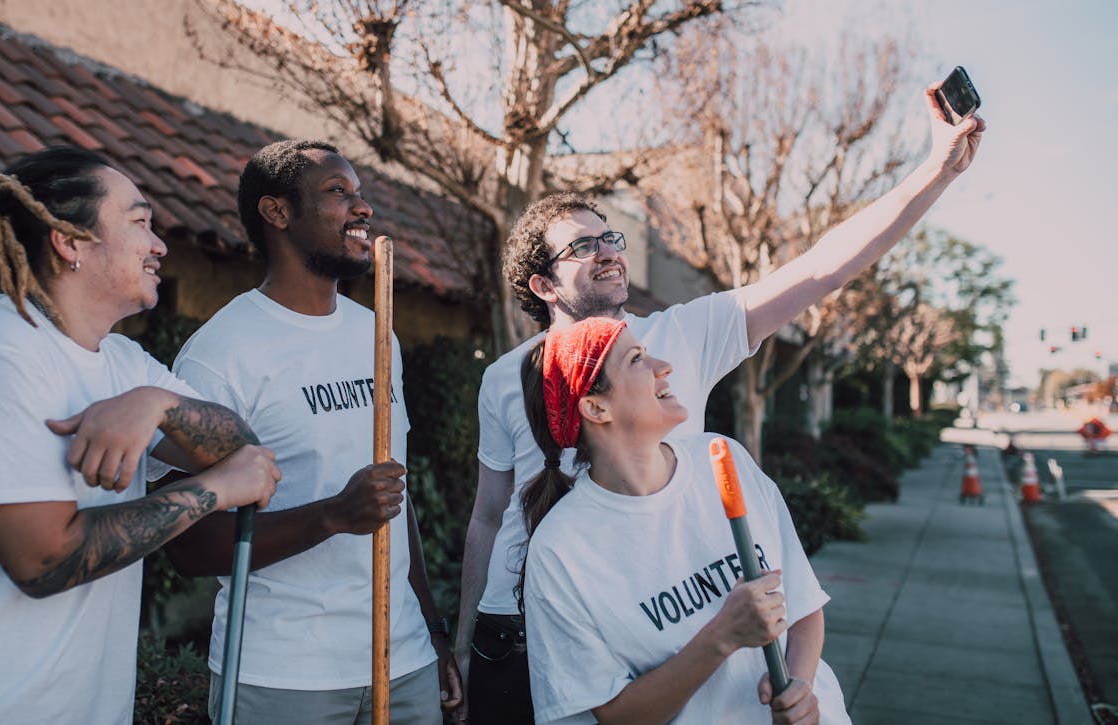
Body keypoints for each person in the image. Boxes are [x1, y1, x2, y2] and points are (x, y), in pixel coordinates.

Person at [456, 84, 985, 721]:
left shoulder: (676, 338)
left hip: (672, 621)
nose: (609, 252)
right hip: (516, 629)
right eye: (582, 246)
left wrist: (938, 170)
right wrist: (460, 646)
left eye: (611, 238)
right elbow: (489, 516)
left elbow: (823, 268)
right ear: (542, 284)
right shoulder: (505, 378)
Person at [0, 146, 281, 724]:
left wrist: (158, 403)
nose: (159, 246)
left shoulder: (125, 364)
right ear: (69, 242)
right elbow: (44, 559)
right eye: (139, 223)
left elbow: (240, 449)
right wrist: (212, 493)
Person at [162, 139, 463, 723]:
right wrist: (331, 516)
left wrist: (430, 629)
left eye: (360, 193)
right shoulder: (222, 354)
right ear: (277, 213)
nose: (362, 208)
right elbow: (185, 545)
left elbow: (392, 499)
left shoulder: (378, 334)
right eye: (338, 193)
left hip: (400, 662)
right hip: (283, 673)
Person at [519, 317, 850, 724]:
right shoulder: (561, 549)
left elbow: (803, 606)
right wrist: (722, 635)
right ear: (595, 406)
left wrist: (800, 687)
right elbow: (615, 715)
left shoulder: (723, 458)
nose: (664, 366)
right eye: (637, 358)